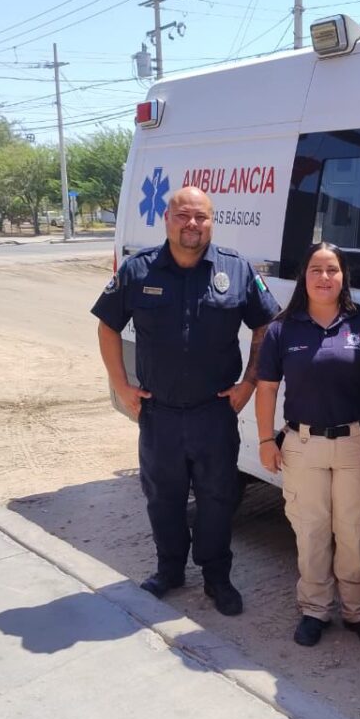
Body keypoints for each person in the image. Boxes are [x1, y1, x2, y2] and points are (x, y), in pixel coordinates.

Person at [91, 186, 280, 616]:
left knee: (218, 497)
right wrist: (121, 385)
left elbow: (266, 325)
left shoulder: (235, 268)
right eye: (184, 216)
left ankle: (217, 576)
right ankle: (169, 570)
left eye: (201, 217)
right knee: (163, 497)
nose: (192, 224)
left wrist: (249, 383)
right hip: (159, 414)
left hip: (215, 412)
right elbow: (106, 326)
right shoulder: (139, 270)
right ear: (167, 219)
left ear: (212, 222)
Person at [254, 242, 360, 649]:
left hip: (355, 444)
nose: (325, 278)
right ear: (304, 277)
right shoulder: (283, 328)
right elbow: (266, 389)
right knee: (311, 531)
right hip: (303, 443)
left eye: (333, 270)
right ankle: (314, 609)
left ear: (344, 275)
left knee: (353, 531)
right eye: (316, 269)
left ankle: (359, 612)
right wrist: (265, 439)